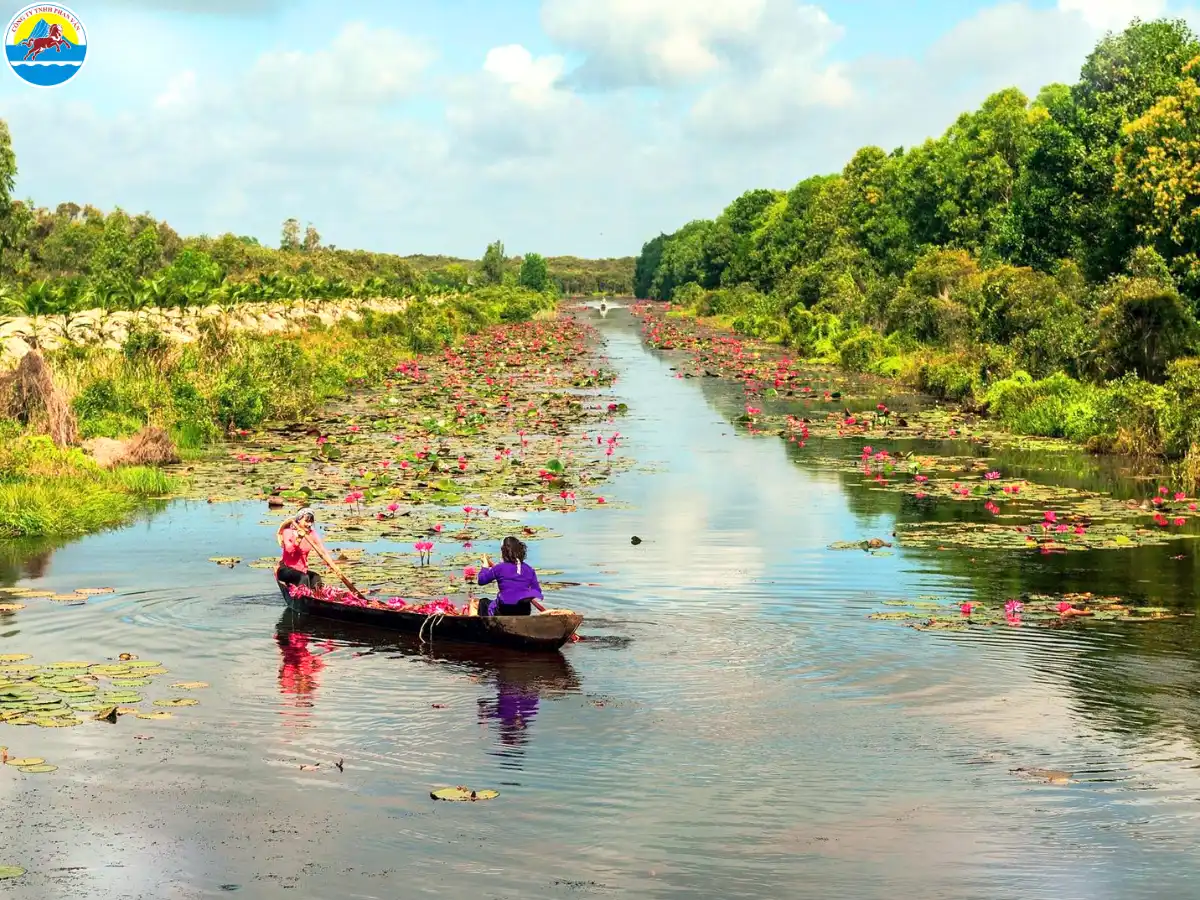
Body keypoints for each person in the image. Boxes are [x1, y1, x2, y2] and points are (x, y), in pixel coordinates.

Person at [476, 536, 543, 616]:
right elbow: (537, 591)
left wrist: (485, 566)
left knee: (480, 603)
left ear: (504, 552)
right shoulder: (529, 569)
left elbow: (481, 580)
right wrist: (524, 598)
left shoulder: (499, 568)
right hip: (524, 611)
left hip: (503, 611)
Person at [276, 508, 328, 591]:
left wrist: (329, 562)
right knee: (304, 577)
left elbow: (322, 550)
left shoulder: (312, 534)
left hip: (302, 570)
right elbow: (289, 550)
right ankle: (302, 597)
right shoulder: (288, 532)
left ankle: (316, 598)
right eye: (306, 521)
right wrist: (298, 539)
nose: (309, 524)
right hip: (286, 569)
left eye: (311, 521)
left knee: (316, 577)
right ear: (299, 520)